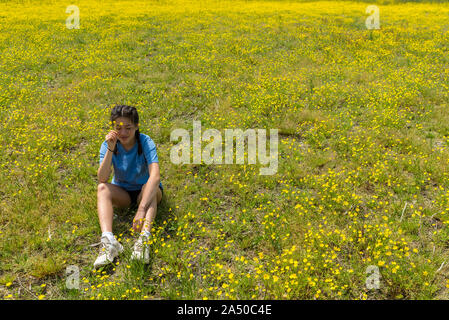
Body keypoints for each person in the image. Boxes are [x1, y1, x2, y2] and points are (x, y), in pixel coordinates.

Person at [94, 105, 163, 268]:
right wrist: (110, 148)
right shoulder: (108, 144)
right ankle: (108, 241)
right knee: (102, 189)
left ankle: (144, 240)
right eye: (118, 128)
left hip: (144, 193)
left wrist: (141, 209)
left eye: (128, 128)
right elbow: (102, 178)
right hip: (123, 193)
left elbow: (155, 176)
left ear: (137, 126)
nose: (123, 133)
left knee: (150, 186)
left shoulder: (145, 141)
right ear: (113, 127)